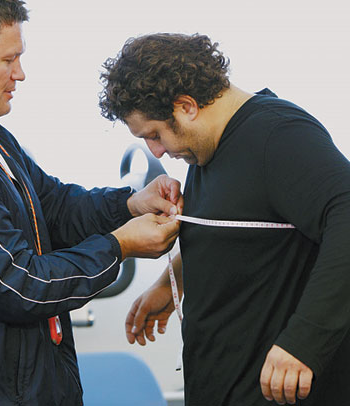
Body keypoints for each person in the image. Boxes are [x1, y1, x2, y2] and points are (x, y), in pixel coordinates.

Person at [99, 32, 350, 406]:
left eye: (155, 134)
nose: (157, 151)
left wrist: (304, 341)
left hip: (275, 390)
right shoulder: (208, 146)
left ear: (186, 106)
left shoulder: (279, 135)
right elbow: (245, 232)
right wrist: (173, 281)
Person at [0, 2, 182, 405]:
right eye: (9, 59)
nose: (20, 73)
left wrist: (130, 205)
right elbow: (16, 283)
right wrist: (119, 247)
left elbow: (55, 207)